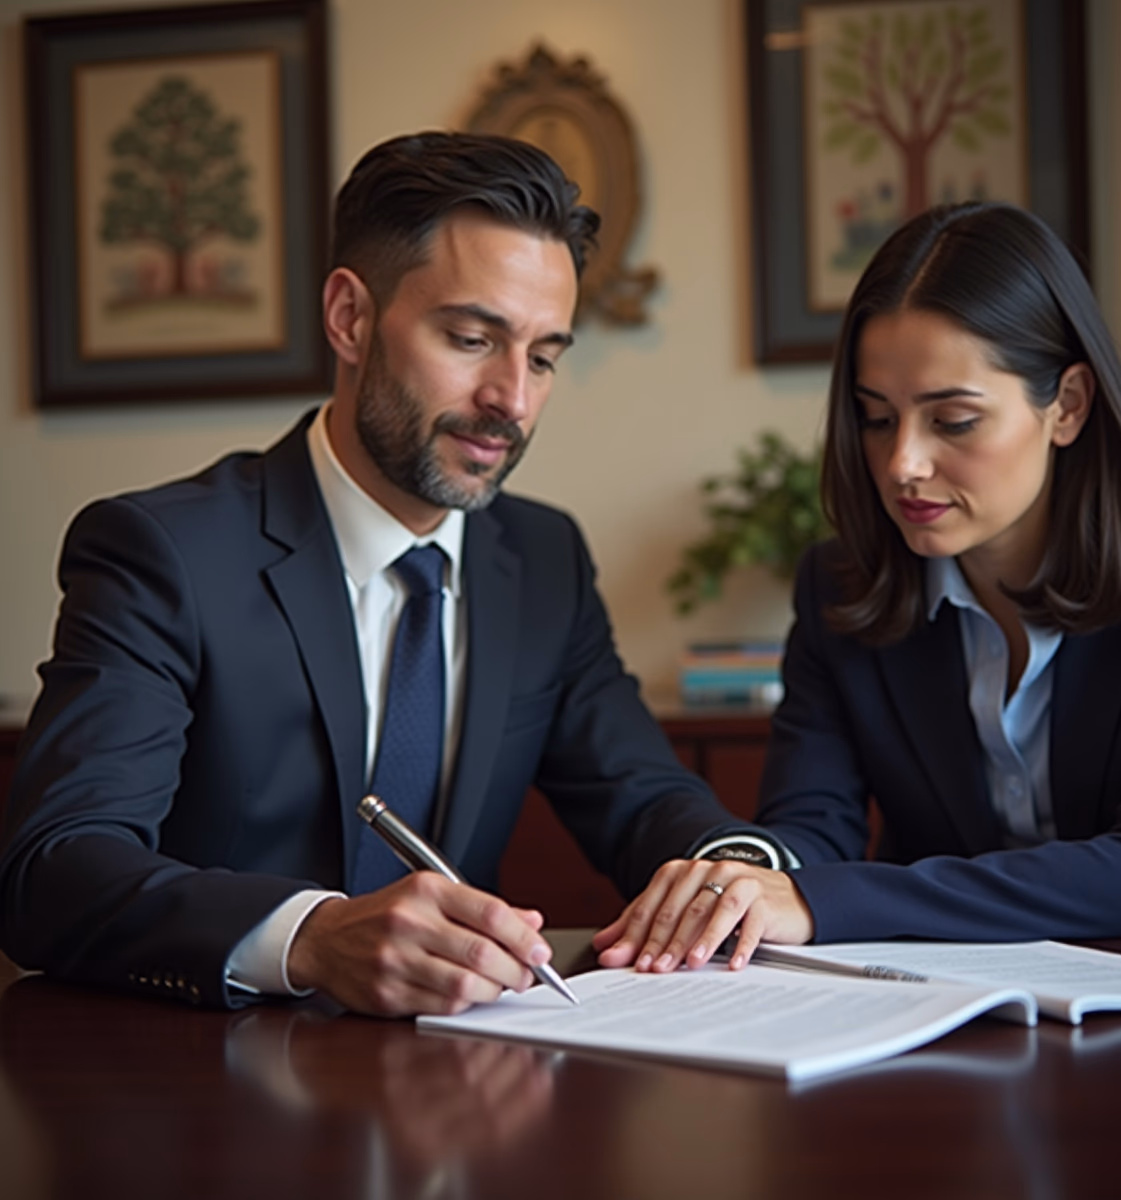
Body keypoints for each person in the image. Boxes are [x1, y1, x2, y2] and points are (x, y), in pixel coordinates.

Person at [0, 132, 774, 1016]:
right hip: (201, 1086)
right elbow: (53, 870)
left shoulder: (544, 560)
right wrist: (313, 937)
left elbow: (640, 792)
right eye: (472, 337)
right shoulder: (161, 551)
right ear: (350, 319)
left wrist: (731, 871)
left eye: (545, 356)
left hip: (466, 1078)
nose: (512, 400)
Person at [594, 201, 1121, 974]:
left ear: (1068, 406)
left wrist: (821, 902)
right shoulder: (838, 590)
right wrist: (748, 878)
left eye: (952, 420)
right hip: (936, 1023)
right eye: (876, 418)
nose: (903, 463)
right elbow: (813, 828)